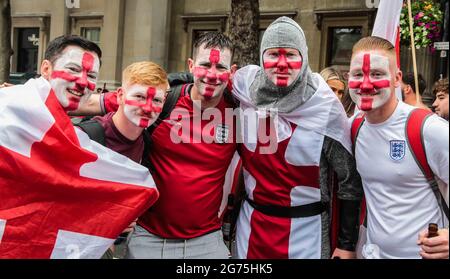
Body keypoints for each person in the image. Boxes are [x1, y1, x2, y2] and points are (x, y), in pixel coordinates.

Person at [75, 32, 239, 259]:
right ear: (191, 66)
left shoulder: (239, 113)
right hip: (148, 239)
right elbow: (85, 103)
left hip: (207, 242)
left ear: (231, 72)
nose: (211, 74)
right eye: (204, 65)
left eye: (220, 67)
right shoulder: (161, 99)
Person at [0, 35, 159, 258]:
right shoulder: (9, 109)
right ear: (45, 68)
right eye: (73, 69)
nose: (83, 82)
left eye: (91, 75)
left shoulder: (63, 132)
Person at [232, 17, 363, 259]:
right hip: (251, 229)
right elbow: (208, 82)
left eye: (290, 54)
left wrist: (346, 243)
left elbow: (349, 180)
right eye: (273, 54)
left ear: (303, 57)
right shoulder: (244, 88)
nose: (281, 64)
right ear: (261, 57)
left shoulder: (325, 107)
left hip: (307, 235)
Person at [348, 36, 448, 259]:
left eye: (377, 74)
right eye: (358, 75)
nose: (365, 84)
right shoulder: (353, 128)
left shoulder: (428, 129)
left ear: (397, 78)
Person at [78, 61, 169, 259]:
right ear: (119, 96)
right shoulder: (86, 138)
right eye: (139, 96)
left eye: (156, 101)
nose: (147, 107)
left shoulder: (146, 142)